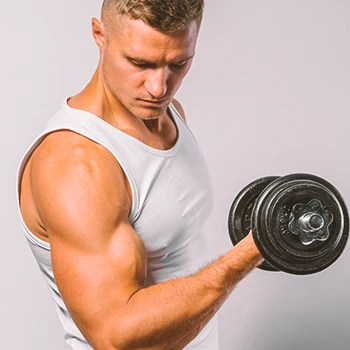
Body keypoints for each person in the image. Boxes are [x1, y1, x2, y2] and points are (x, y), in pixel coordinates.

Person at [16, 0, 263, 349]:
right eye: (140, 63)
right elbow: (116, 336)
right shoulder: (77, 163)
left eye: (178, 63)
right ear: (100, 35)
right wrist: (252, 251)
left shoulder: (170, 115)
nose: (159, 87)